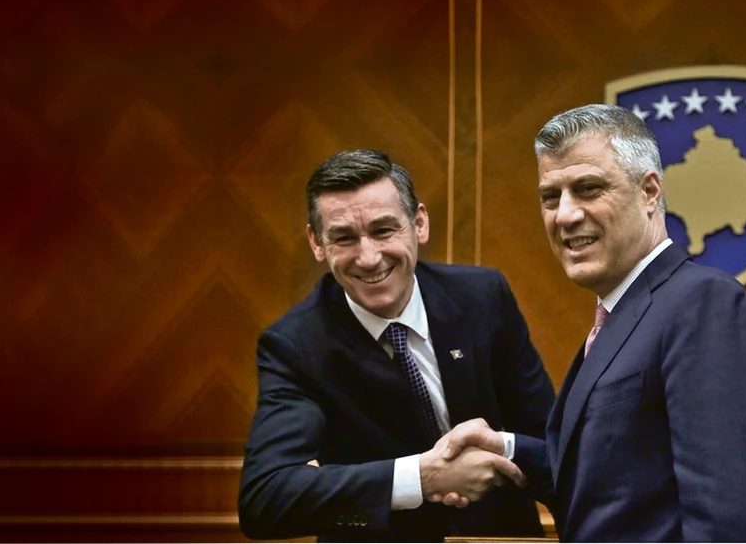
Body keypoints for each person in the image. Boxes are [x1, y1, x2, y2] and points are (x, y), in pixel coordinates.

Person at [439, 104, 746, 541]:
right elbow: (613, 479)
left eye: (588, 189)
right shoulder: (623, 314)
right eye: (550, 197)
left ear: (649, 192)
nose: (564, 215)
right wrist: (506, 449)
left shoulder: (705, 306)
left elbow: (736, 525)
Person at [237, 149, 556, 541]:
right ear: (317, 243)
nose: (369, 258)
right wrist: (422, 477)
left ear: (419, 223)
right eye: (344, 238)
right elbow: (264, 499)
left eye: (384, 230)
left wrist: (503, 448)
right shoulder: (296, 346)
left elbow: (554, 445)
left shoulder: (483, 297)